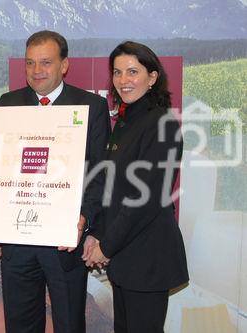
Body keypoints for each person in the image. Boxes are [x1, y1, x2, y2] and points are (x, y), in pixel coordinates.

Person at [0, 30, 110, 333]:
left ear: (64, 65)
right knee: (19, 323)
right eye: (30, 63)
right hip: (18, 239)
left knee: (69, 322)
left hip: (64, 240)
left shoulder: (90, 107)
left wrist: (85, 217)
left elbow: (99, 171)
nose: (37, 71)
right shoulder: (8, 104)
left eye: (46, 62)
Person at [85, 41, 189, 333]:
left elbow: (145, 198)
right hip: (125, 258)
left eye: (132, 71)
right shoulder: (125, 122)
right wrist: (96, 233)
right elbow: (110, 187)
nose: (123, 80)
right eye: (117, 72)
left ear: (152, 77)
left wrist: (106, 246)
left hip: (147, 258)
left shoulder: (162, 124)